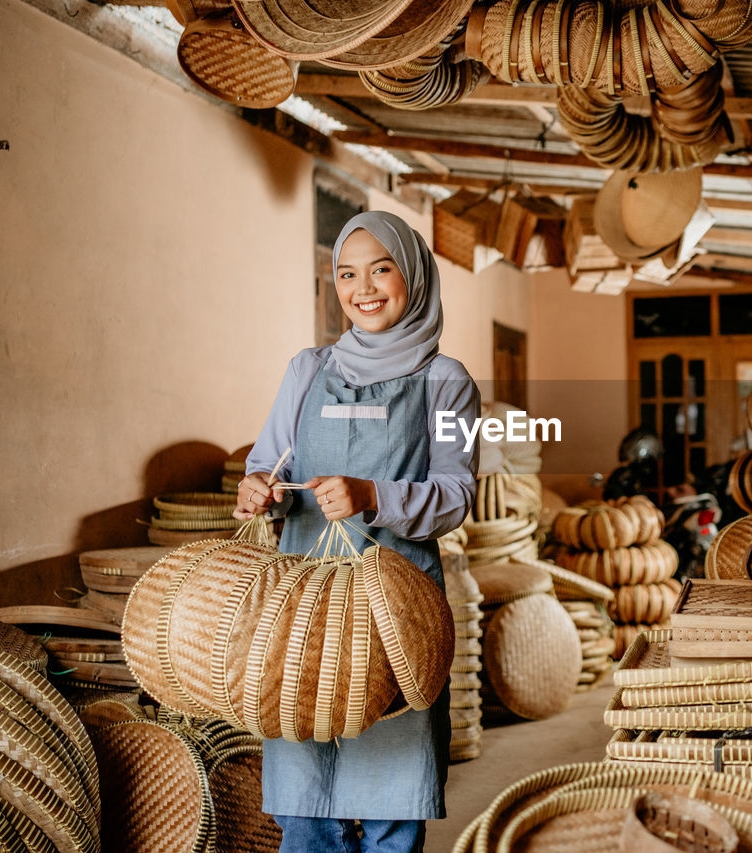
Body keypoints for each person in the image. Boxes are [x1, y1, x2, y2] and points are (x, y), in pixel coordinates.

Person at [234, 211, 480, 853]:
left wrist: (373, 495)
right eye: (347, 273)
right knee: (305, 804)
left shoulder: (447, 383)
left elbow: (456, 498)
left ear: (413, 276)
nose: (363, 288)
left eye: (381, 268)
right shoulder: (306, 370)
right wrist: (257, 491)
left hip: (396, 618)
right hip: (304, 612)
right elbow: (269, 462)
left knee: (392, 812)